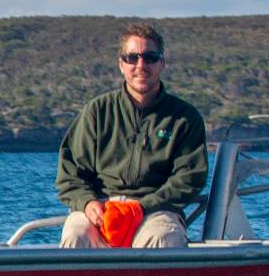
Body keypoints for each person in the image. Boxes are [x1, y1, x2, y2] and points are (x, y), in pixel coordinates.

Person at [56, 22, 209, 248]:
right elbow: (70, 175)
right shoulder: (97, 112)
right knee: (76, 235)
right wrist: (87, 203)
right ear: (121, 64)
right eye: (132, 58)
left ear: (162, 64)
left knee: (164, 238)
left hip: (155, 213)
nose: (141, 65)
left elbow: (189, 179)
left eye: (150, 57)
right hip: (100, 209)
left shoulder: (185, 118)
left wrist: (141, 207)